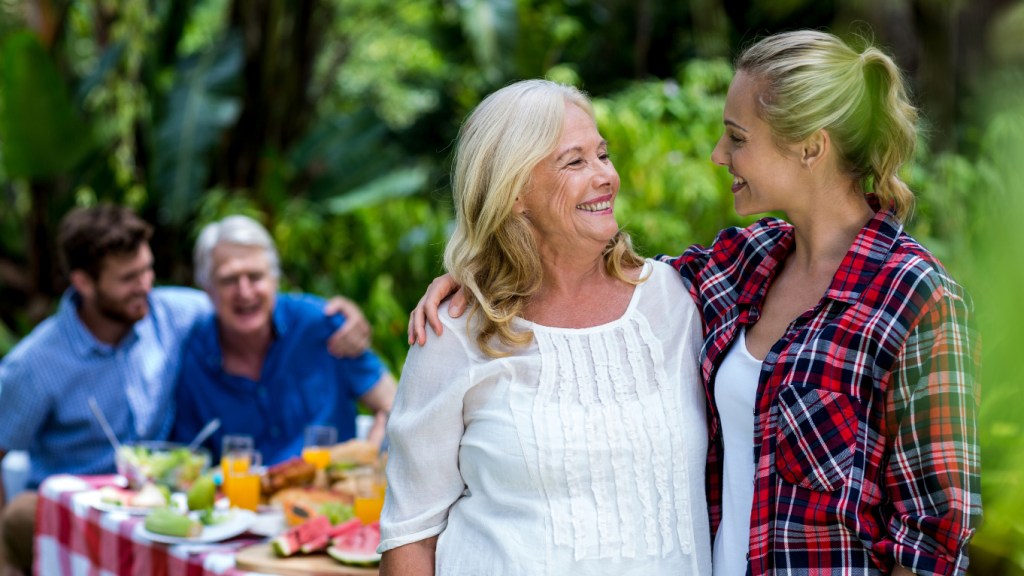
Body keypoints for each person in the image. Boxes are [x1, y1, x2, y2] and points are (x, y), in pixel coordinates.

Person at [410, 31, 980, 576]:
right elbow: (590, 281)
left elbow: (935, 537)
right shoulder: (742, 266)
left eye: (737, 137)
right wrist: (475, 275)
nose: (717, 154)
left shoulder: (916, 298)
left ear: (811, 146)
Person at [379, 80, 711, 576]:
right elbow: (410, 535)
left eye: (603, 155)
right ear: (513, 193)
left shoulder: (676, 300)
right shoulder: (455, 331)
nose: (605, 177)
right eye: (574, 162)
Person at [0, 205, 369, 575]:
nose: (145, 286)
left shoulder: (171, 312)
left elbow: (255, 303)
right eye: (129, 278)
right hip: (75, 511)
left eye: (148, 270)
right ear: (83, 283)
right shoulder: (35, 364)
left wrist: (342, 316)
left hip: (162, 511)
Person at [170, 215, 397, 465]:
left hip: (331, 498)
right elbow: (188, 460)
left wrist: (366, 460)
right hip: (241, 502)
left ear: (275, 280)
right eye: (229, 280)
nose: (245, 292)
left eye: (255, 277)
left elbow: (394, 405)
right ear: (208, 289)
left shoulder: (321, 324)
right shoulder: (195, 358)